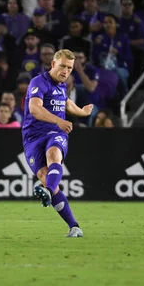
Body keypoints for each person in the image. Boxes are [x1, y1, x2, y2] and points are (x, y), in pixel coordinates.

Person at [22, 49, 93, 237]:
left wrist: (82, 112)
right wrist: (59, 120)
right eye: (62, 66)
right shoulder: (38, 82)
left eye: (69, 68)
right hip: (32, 138)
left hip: (55, 133)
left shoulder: (62, 86)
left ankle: (47, 190)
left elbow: (65, 103)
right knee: (45, 176)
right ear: (53, 64)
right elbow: (35, 109)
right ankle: (74, 226)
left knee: (54, 153)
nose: (66, 71)